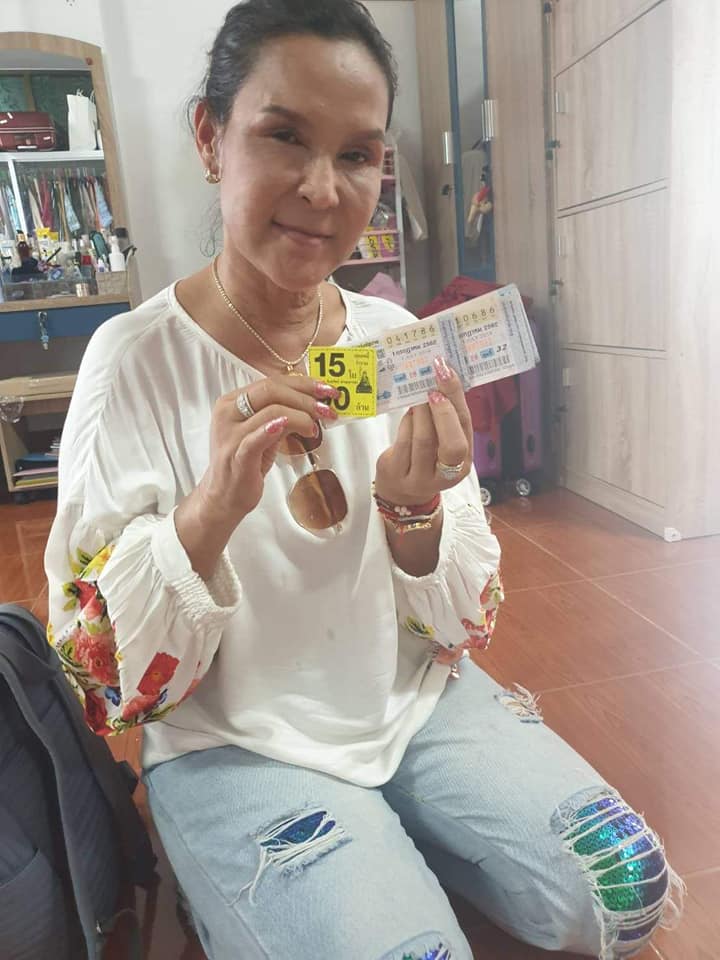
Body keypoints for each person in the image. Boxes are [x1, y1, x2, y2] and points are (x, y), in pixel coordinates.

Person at [44, 3, 682, 958]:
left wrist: (414, 509)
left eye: (357, 154)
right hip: (238, 746)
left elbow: (457, 623)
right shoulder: (132, 360)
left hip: (410, 702)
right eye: (283, 135)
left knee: (623, 887)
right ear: (211, 138)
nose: (321, 187)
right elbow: (100, 675)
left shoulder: (398, 341)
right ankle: (281, 877)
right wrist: (210, 511)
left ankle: (387, 848)